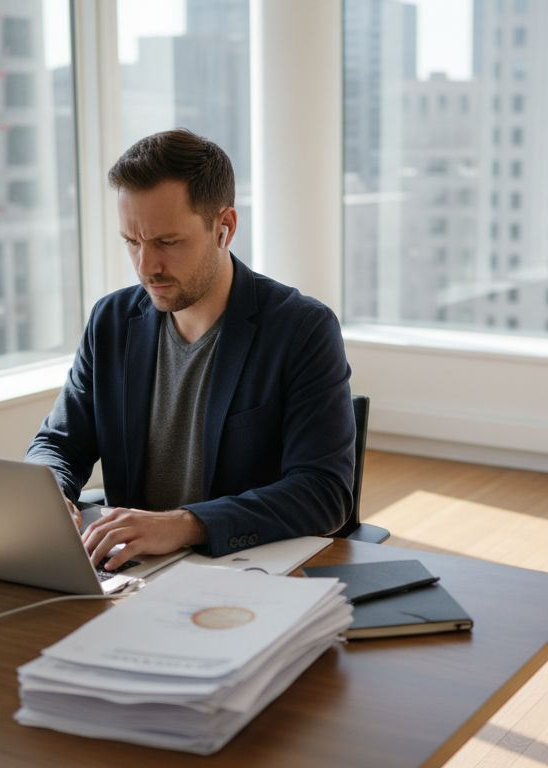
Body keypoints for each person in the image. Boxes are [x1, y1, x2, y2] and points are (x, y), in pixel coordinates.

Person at [27, 129, 355, 573]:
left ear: (225, 229)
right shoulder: (111, 321)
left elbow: (323, 492)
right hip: (128, 572)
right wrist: (49, 496)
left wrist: (183, 525)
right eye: (132, 241)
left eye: (167, 242)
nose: (146, 267)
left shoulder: (301, 329)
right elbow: (59, 443)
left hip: (240, 573)